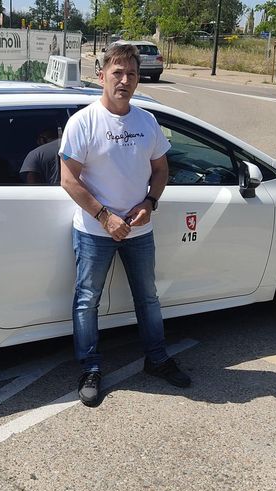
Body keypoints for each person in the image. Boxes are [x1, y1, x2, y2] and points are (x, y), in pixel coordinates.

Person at [59, 43, 191, 408]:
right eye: (117, 72)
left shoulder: (147, 122)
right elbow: (68, 180)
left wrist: (150, 203)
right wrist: (105, 216)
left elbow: (161, 170)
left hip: (139, 231)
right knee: (87, 300)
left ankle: (157, 359)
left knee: (148, 298)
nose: (125, 80)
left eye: (132, 74)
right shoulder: (83, 122)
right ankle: (89, 368)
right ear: (101, 76)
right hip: (93, 231)